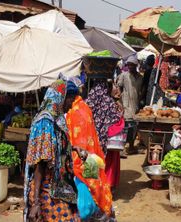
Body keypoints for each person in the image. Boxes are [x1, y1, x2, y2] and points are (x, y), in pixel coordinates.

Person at [24, 80, 79, 221]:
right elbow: (40, 163)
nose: (71, 104)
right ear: (60, 98)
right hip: (46, 190)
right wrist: (36, 203)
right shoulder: (45, 122)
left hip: (59, 186)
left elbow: (58, 147)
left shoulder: (58, 119)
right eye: (70, 99)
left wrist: (74, 148)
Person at [66, 82, 113, 220]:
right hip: (91, 153)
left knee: (86, 188)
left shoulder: (75, 111)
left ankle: (92, 213)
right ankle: (99, 210)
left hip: (82, 156)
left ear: (69, 97)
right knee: (94, 184)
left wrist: (73, 159)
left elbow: (78, 139)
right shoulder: (83, 106)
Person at [86, 79, 124, 192]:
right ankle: (107, 186)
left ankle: (93, 187)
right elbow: (117, 119)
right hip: (107, 140)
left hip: (91, 139)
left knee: (92, 160)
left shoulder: (88, 101)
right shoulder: (110, 102)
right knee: (108, 163)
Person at [117, 55, 142, 155]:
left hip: (136, 103)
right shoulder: (124, 75)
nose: (130, 67)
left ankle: (131, 146)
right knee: (126, 126)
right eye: (129, 65)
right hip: (126, 103)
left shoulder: (140, 77)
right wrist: (120, 101)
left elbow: (142, 88)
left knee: (134, 126)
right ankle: (122, 148)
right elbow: (119, 87)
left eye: (132, 65)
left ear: (136, 65)